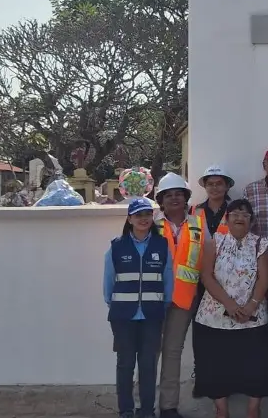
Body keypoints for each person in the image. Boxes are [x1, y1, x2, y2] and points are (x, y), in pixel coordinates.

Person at [193, 199, 268, 418]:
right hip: (214, 317)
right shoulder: (214, 242)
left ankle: (253, 409)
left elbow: (264, 278)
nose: (240, 218)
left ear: (252, 220)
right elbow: (206, 276)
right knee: (216, 367)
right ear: (227, 218)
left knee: (256, 367)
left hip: (252, 317)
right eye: (235, 214)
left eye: (245, 215)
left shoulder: (261, 244)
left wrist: (250, 306)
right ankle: (221, 409)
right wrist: (228, 304)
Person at [103, 197, 174, 418]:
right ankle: (126, 410)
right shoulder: (116, 246)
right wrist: (116, 304)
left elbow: (168, 278)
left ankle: (146, 411)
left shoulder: (161, 245)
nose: (143, 219)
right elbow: (108, 283)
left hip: (152, 315)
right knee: (125, 364)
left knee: (148, 365)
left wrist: (163, 304)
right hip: (123, 316)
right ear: (130, 219)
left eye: (147, 215)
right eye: (138, 215)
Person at [155, 173, 206, 418]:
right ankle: (143, 404)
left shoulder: (198, 223)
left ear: (186, 198)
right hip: (153, 299)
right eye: (168, 195)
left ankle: (168, 407)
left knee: (172, 353)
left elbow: (206, 260)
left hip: (183, 300)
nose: (174, 198)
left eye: (178, 193)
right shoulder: (150, 223)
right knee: (148, 354)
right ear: (161, 200)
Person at [195, 166, 234, 236]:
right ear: (205, 186)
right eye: (210, 184)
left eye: (219, 184)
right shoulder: (195, 212)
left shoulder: (234, 212)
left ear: (227, 186)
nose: (214, 187)